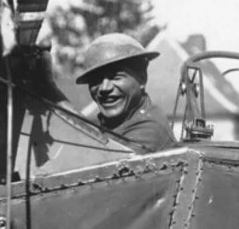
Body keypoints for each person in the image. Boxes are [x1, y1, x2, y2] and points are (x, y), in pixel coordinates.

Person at [36, 33, 176, 154]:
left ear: (142, 78)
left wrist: (47, 84)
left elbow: (103, 161)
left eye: (116, 76)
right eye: (96, 80)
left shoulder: (149, 129)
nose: (104, 88)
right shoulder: (119, 122)